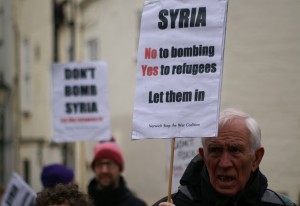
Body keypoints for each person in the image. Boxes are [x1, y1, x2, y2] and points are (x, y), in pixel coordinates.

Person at [154, 108, 297, 206]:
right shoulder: (172, 203)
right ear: (203, 156)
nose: (224, 163)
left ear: (256, 158)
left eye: (235, 150)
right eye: (215, 150)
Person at [88, 141, 147, 206]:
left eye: (109, 164)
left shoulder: (136, 205)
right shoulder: (83, 202)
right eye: (99, 164)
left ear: (120, 168)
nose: (104, 170)